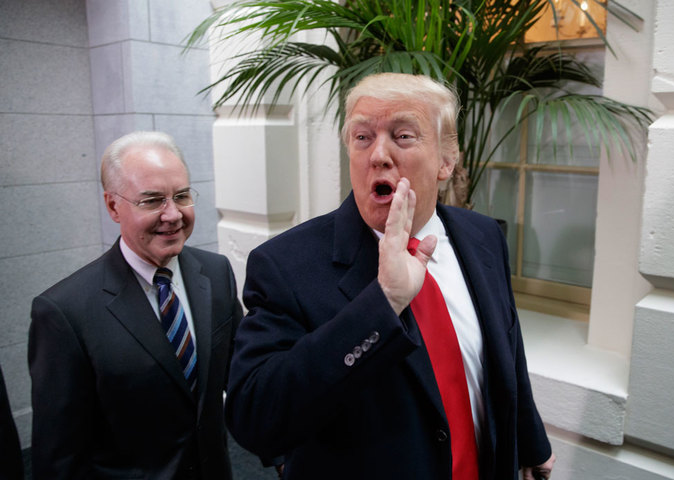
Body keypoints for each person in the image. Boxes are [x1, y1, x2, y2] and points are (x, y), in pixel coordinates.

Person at [225, 73, 556, 479]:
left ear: (446, 161)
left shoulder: (482, 236)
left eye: (402, 136)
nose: (378, 154)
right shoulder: (284, 265)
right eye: (362, 137)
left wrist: (532, 442)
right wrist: (383, 302)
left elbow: (508, 349)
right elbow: (255, 419)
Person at [28, 131, 241, 479]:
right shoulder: (64, 313)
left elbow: (240, 374)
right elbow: (59, 456)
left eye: (182, 196)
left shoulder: (216, 273)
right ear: (113, 206)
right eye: (153, 200)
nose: (172, 215)